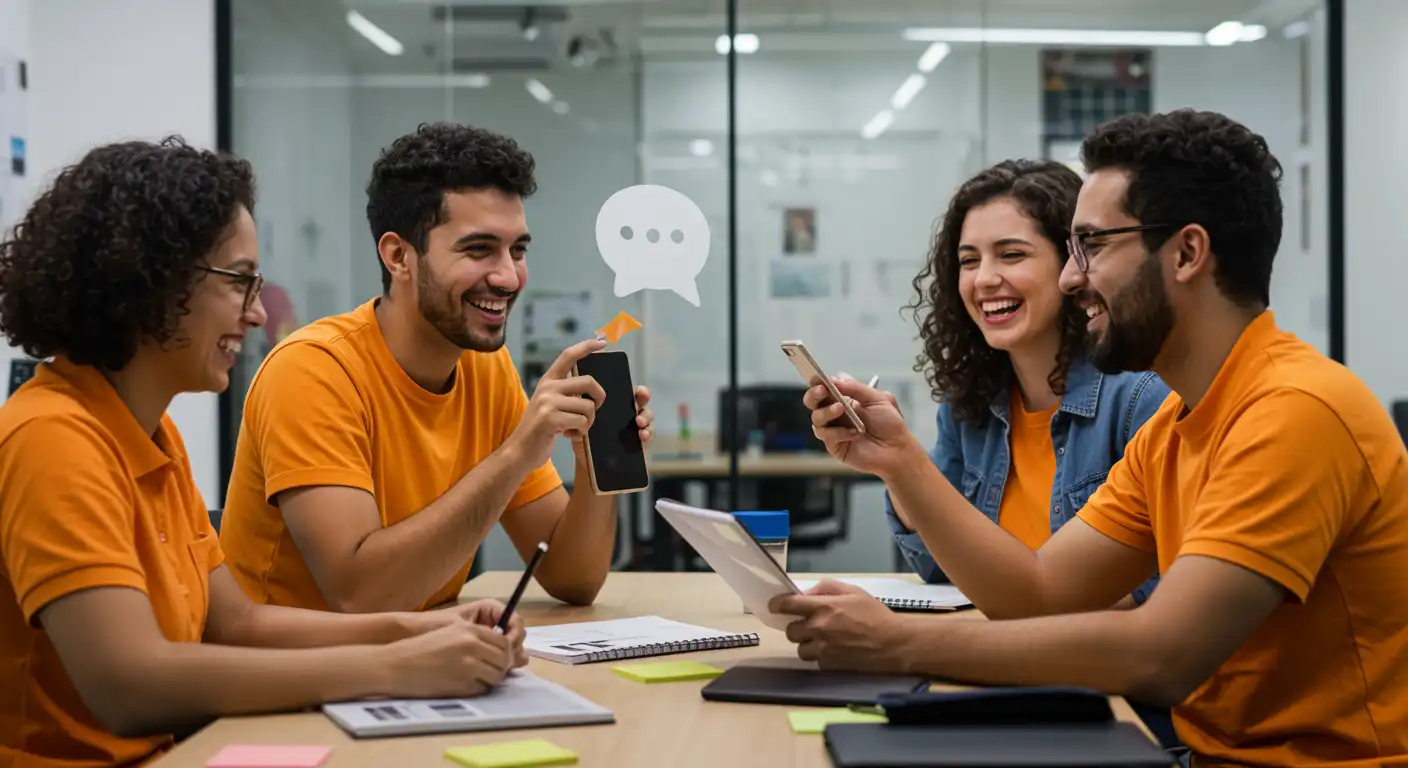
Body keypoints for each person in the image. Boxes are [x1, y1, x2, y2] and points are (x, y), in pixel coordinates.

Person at [778, 109, 1408, 766]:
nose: (1071, 277)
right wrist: (899, 460)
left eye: (1093, 246)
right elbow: (1039, 594)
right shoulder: (1175, 427)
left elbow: (1162, 655)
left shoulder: (1295, 410)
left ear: (1187, 253)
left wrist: (898, 643)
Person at [0, 138, 528, 768]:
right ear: (151, 281)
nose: (256, 315)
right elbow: (128, 686)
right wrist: (394, 667)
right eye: (239, 283)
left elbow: (238, 625)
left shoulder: (150, 436)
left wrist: (428, 628)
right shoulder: (51, 437)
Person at [219, 122, 655, 614]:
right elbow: (360, 596)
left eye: (518, 250)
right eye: (478, 250)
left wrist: (594, 464)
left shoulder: (486, 369)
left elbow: (573, 579)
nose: (509, 277)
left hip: (418, 650)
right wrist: (517, 454)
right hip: (303, 661)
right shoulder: (311, 372)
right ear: (399, 256)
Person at [894, 159, 1169, 613]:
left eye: (1011, 255)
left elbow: (1165, 588)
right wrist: (894, 462)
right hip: (1002, 644)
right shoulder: (970, 402)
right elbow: (934, 564)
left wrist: (1028, 619)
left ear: (1072, 266)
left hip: (1084, 652)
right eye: (969, 261)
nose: (984, 279)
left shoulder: (1142, 397)